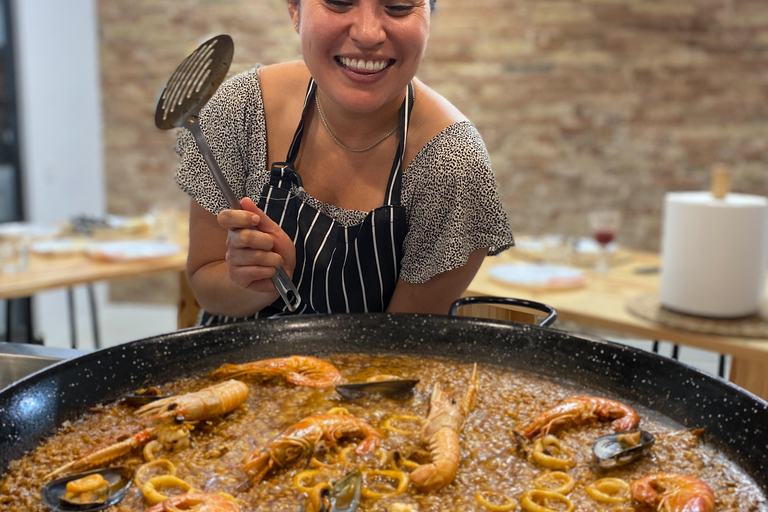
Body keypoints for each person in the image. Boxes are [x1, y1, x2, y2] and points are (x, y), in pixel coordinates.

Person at [174, 0, 514, 325]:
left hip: (366, 379)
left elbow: (403, 349)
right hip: (228, 372)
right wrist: (250, 282)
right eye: (338, 1)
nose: (368, 34)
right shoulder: (240, 108)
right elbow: (206, 285)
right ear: (295, 8)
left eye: (397, 7)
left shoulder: (452, 164)